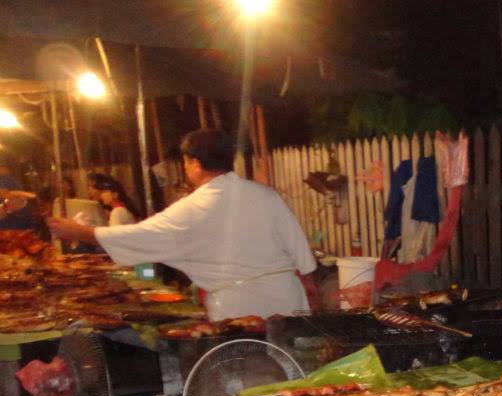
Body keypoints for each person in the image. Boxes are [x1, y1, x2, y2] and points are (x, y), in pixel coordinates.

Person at [48, 130, 317, 320]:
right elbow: (304, 263)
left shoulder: (192, 208)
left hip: (241, 311)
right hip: (289, 304)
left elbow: (140, 236)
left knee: (248, 380)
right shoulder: (266, 195)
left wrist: (78, 232)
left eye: (186, 162)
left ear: (195, 164)